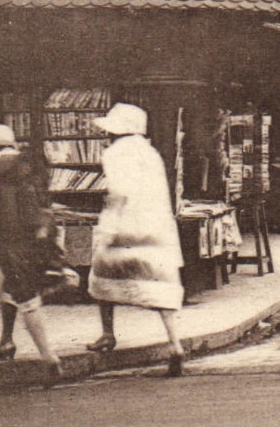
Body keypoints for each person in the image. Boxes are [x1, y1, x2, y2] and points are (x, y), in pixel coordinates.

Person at [85, 103, 187, 377]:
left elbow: (119, 192)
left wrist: (107, 228)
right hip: (155, 228)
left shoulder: (115, 153)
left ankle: (107, 334)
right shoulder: (151, 152)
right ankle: (175, 344)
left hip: (125, 227)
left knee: (101, 279)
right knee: (160, 289)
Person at [0, 123, 63, 384]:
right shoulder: (29, 166)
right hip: (33, 241)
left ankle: (48, 357)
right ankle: (7, 341)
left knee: (19, 296)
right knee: (16, 292)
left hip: (7, 244)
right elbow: (41, 206)